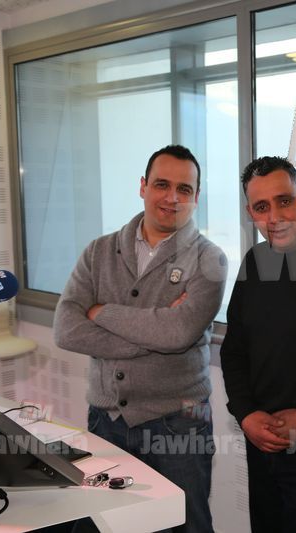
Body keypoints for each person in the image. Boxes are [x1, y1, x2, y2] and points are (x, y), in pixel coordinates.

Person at [54, 144, 227, 533]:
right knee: (104, 524)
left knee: (187, 524)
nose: (172, 197)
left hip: (180, 424)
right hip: (106, 418)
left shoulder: (210, 260)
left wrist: (102, 312)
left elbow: (179, 333)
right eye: (162, 185)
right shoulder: (98, 251)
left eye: (184, 189)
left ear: (196, 197)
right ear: (143, 186)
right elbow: (65, 328)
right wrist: (157, 331)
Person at [221, 156, 296, 532]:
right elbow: (234, 351)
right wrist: (245, 415)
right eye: (261, 207)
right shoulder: (254, 262)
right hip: (262, 445)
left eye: (284, 201)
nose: (275, 217)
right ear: (250, 214)